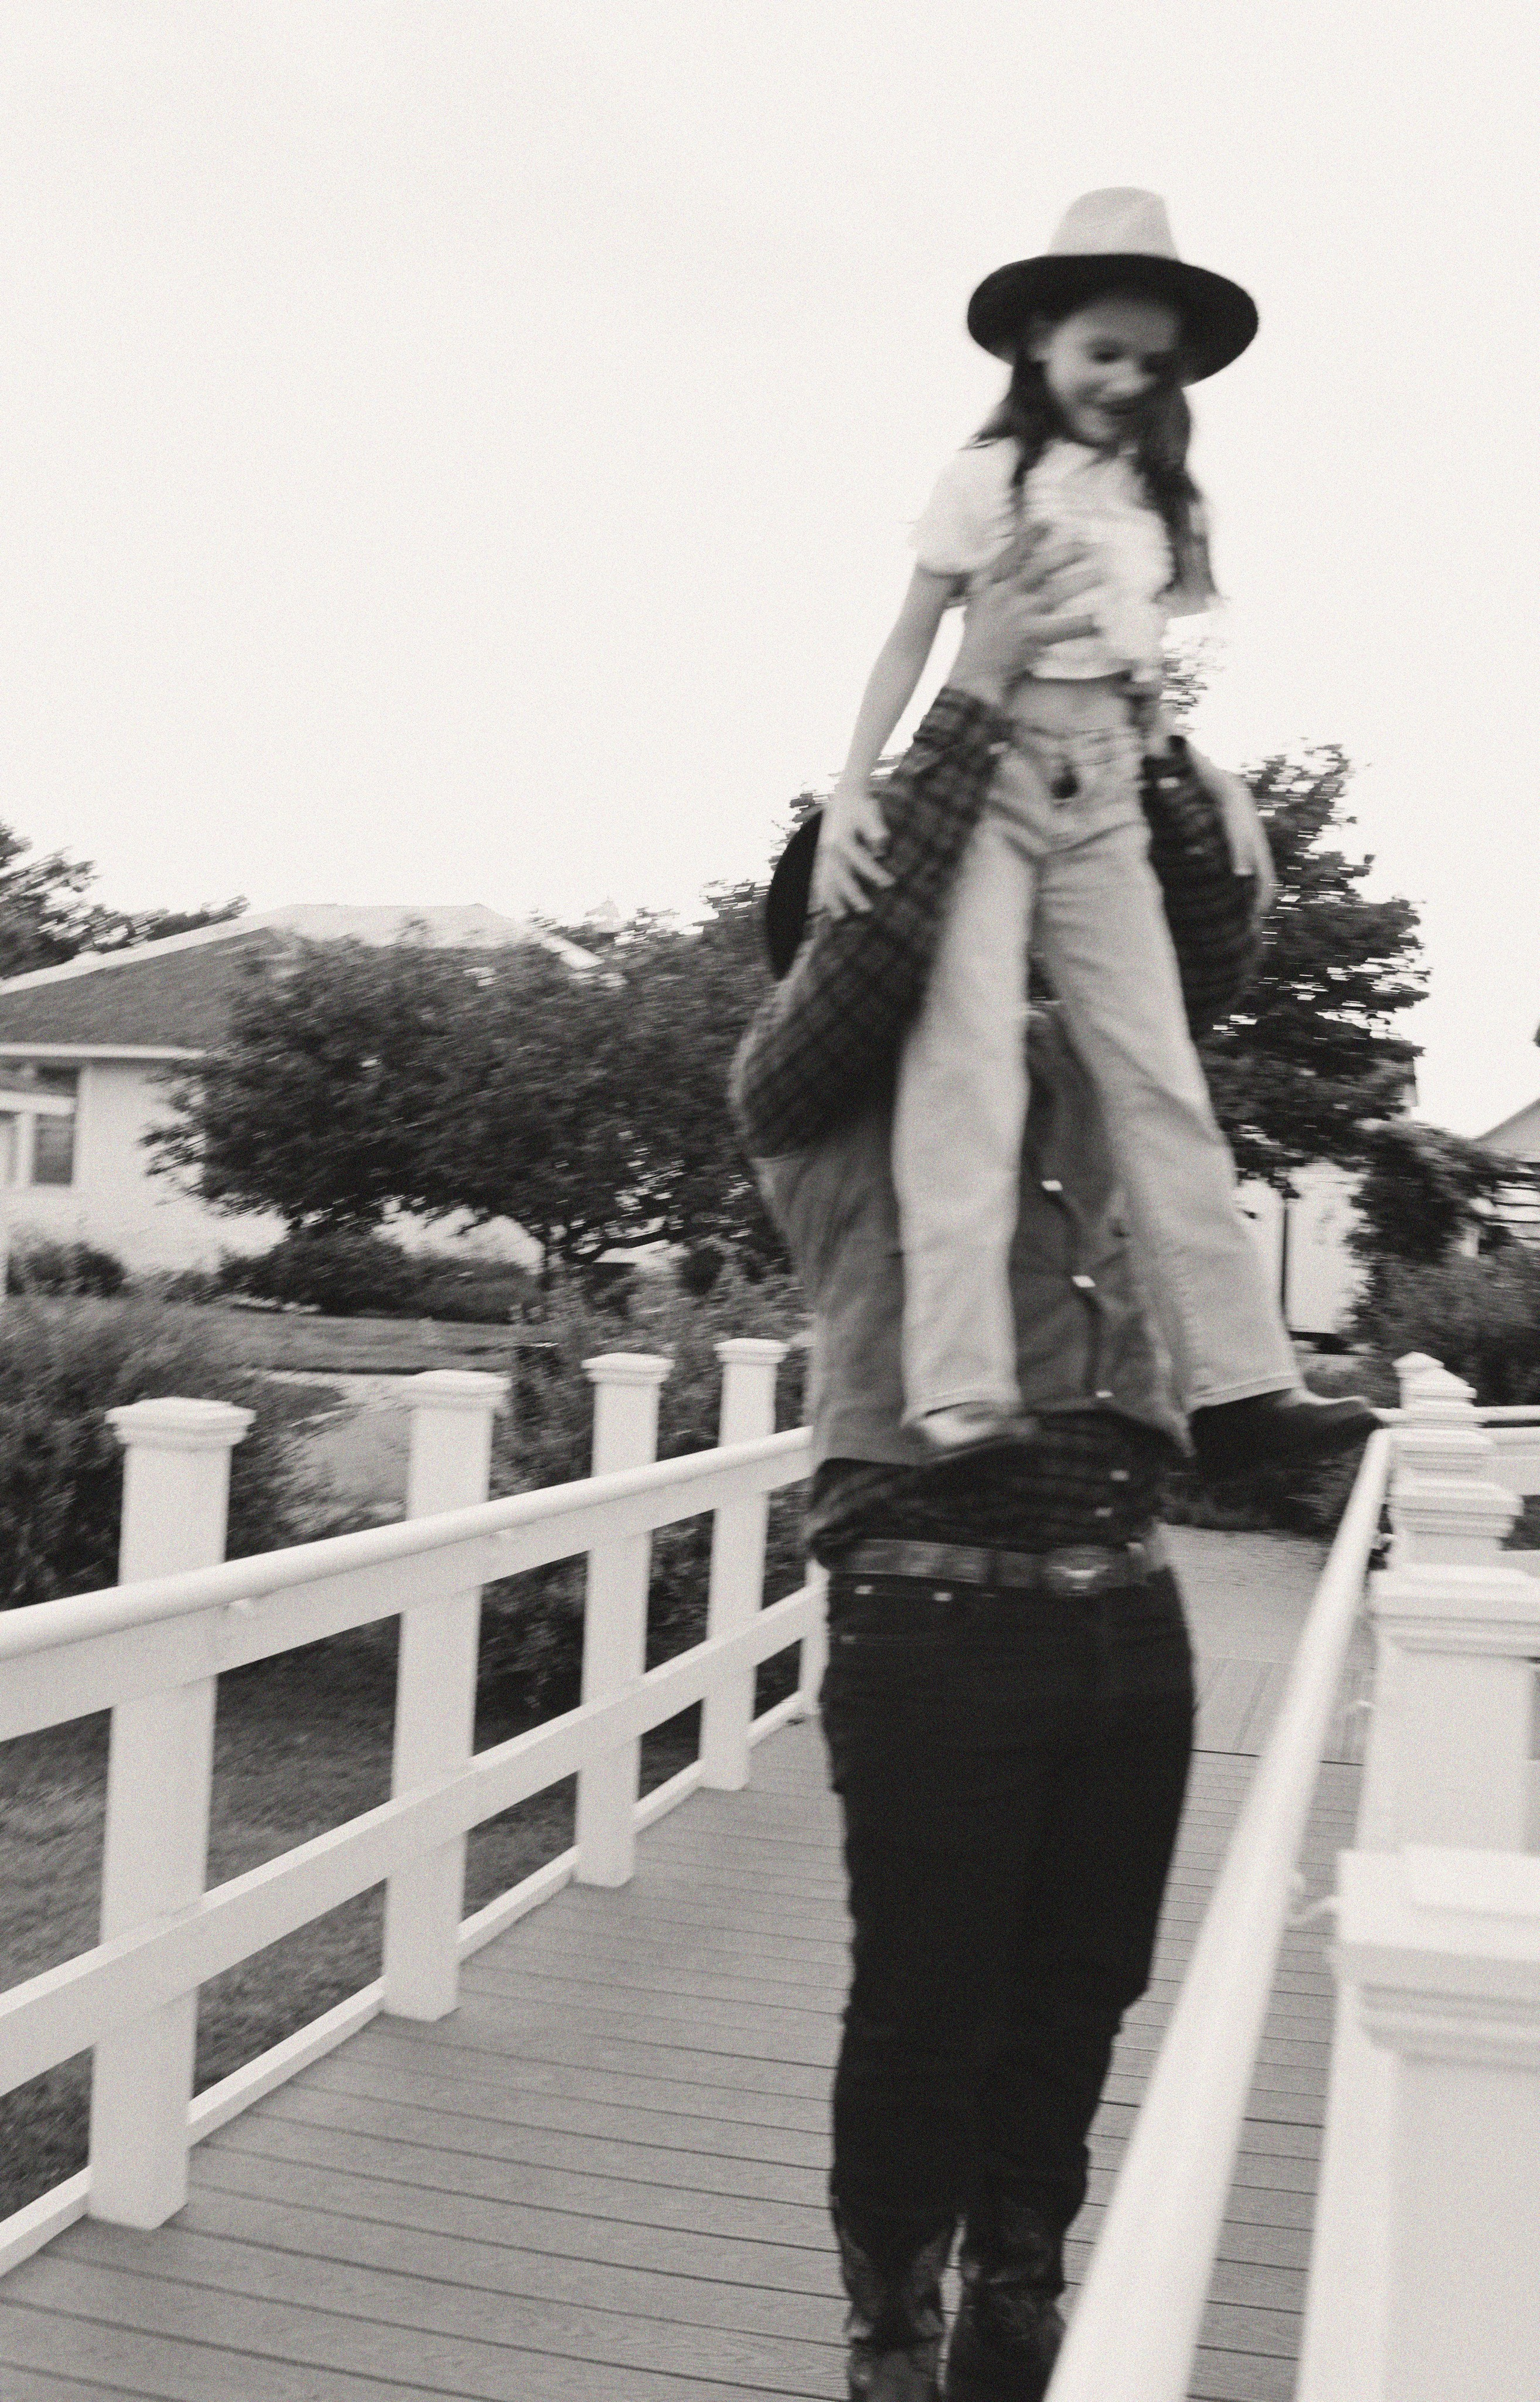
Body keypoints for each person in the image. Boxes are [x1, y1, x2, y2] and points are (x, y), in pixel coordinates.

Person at [730, 557, 1374, 2401]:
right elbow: (871, 950)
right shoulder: (806, 1078)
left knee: (1083, 1994)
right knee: (927, 2005)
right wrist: (960, 701)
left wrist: (1132, 726)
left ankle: (1024, 2283)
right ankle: (893, 2325)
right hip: (930, 1616)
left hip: (1129, 1619)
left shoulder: (1093, 1072)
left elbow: (1198, 938)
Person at [816, 188, 1350, 1472]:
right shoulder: (983, 479)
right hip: (988, 773)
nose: (1122, 378)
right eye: (1100, 350)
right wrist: (850, 784)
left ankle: (1237, 1386)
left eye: (1148, 363)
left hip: (1107, 788)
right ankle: (959, 1391)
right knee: (969, 1070)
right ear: (1039, 340)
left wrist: (1203, 772)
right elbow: (909, 637)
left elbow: (1140, 677)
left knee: (1157, 1074)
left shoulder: (1162, 501)